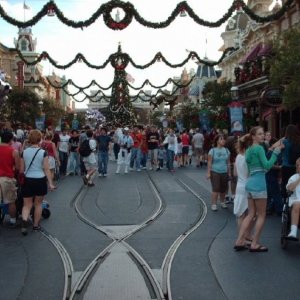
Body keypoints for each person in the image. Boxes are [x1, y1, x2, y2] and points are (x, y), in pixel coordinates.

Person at [234, 126, 283, 252]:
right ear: (253, 136)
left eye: (263, 134)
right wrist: (276, 152)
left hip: (249, 184)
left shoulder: (249, 150)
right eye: (260, 134)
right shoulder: (260, 149)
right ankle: (254, 243)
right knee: (261, 215)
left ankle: (240, 240)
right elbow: (267, 166)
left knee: (250, 214)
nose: (262, 136)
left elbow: (252, 170)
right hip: (259, 184)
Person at [20, 130, 55, 235]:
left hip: (27, 180)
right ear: (40, 139)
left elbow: (22, 169)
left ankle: (24, 222)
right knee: (38, 204)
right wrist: (50, 183)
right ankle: (35, 225)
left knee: (27, 205)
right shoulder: (42, 152)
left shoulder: (24, 152)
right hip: (40, 179)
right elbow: (46, 168)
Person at [233, 134, 254, 245]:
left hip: (239, 186)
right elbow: (249, 174)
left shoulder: (238, 157)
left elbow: (236, 173)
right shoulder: (248, 157)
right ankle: (243, 237)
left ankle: (244, 236)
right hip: (248, 186)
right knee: (251, 214)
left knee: (241, 214)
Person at [0, 130, 20, 228]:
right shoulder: (13, 151)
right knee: (11, 201)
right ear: (11, 140)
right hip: (7, 178)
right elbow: (17, 168)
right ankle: (12, 221)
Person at [206, 134, 231, 211]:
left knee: (223, 188)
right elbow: (209, 162)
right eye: (221, 139)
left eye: (224, 139)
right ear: (217, 141)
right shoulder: (212, 151)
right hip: (215, 171)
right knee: (216, 188)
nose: (223, 140)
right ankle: (214, 204)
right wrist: (208, 173)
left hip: (224, 171)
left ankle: (222, 202)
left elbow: (228, 162)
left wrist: (229, 172)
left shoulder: (226, 150)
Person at [279, 125, 300, 199]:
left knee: (286, 185)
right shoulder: (298, 141)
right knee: (296, 184)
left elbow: (275, 148)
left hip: (286, 166)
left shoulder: (284, 141)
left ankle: (286, 203)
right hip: (297, 167)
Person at [266, 138, 283, 215]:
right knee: (275, 192)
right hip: (270, 175)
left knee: (270, 193)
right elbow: (270, 165)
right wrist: (279, 167)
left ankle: (268, 208)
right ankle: (279, 209)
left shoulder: (275, 153)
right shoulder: (270, 153)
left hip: (273, 175)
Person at [285, 158, 300, 240]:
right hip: (295, 204)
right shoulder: (294, 177)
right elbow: (289, 188)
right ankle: (293, 231)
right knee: (297, 204)